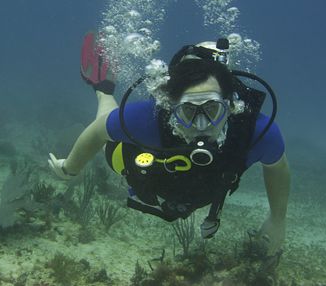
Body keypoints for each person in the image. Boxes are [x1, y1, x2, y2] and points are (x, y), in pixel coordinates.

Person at [48, 32, 290, 257]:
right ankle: (103, 90)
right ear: (171, 109)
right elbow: (99, 131)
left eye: (213, 110)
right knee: (112, 149)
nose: (202, 125)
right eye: (187, 112)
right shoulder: (149, 119)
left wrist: (278, 219)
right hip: (140, 165)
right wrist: (70, 167)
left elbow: (277, 167)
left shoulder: (257, 132)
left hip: (196, 191)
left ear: (231, 106)